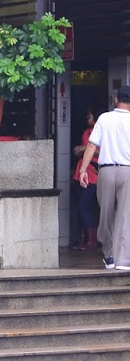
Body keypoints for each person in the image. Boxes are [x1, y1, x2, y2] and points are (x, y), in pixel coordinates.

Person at [79, 84, 130, 270]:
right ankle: (123, 260)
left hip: (106, 171)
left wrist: (83, 170)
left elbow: (92, 145)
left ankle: (109, 256)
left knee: (106, 214)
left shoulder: (104, 118)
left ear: (116, 100)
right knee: (125, 216)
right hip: (128, 171)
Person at [73, 109, 100, 251]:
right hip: (83, 173)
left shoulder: (100, 129)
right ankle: (83, 240)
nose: (87, 117)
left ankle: (92, 240)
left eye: (89, 115)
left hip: (94, 175)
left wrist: (85, 149)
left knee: (84, 207)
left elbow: (102, 151)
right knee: (80, 208)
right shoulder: (87, 131)